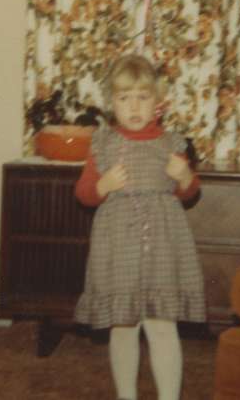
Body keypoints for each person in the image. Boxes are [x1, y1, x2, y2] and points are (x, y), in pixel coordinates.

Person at [74, 54, 205, 400]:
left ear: (158, 102)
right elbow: (84, 193)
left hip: (163, 243)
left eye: (142, 97)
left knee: (163, 326)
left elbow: (190, 191)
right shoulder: (103, 143)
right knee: (123, 327)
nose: (134, 107)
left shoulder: (172, 143)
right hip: (118, 246)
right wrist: (102, 186)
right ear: (111, 104)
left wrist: (185, 176)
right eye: (124, 98)